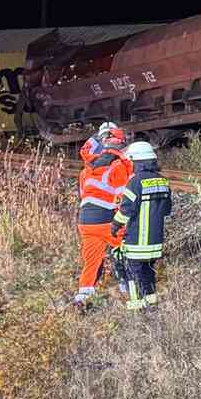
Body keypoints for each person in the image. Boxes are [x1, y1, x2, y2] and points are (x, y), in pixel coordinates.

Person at [72, 129, 132, 309]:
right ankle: (127, 288)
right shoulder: (119, 166)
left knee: (91, 261)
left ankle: (83, 296)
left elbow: (84, 195)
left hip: (85, 222)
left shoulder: (86, 169)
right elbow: (123, 198)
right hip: (107, 220)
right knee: (124, 252)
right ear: (121, 145)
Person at [111, 141, 172, 311]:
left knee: (134, 275)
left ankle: (138, 309)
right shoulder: (163, 181)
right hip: (155, 242)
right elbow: (167, 209)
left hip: (137, 241)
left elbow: (127, 210)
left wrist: (115, 225)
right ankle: (151, 305)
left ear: (137, 162)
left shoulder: (135, 182)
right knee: (148, 274)